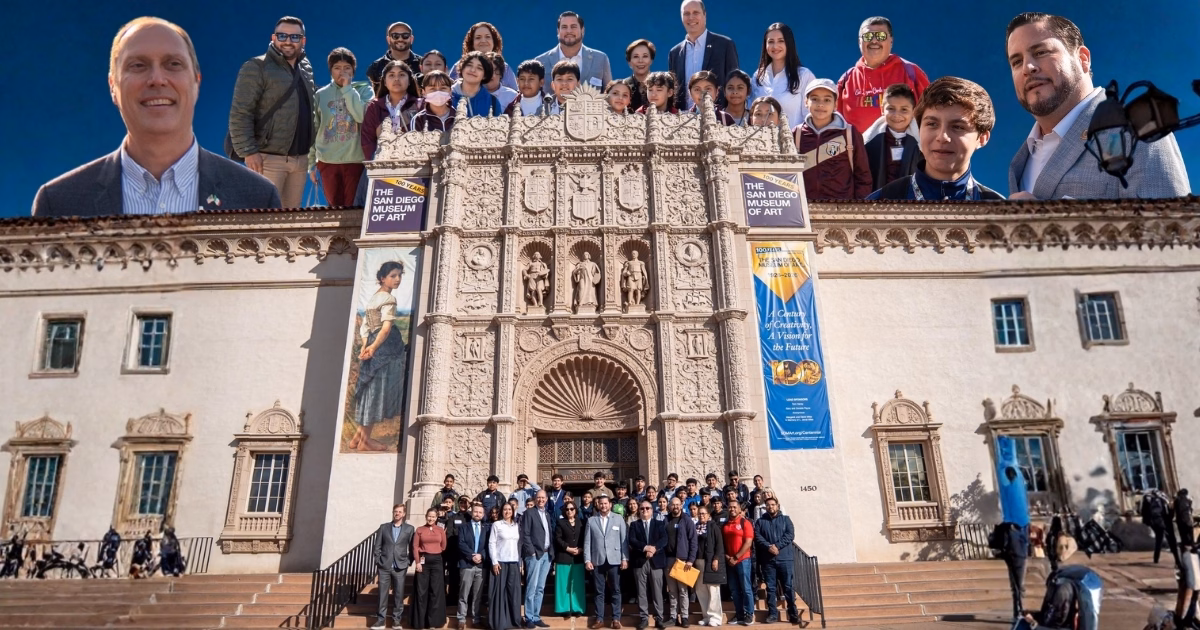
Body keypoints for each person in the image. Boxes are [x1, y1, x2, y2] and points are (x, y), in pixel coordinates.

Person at [33, 17, 278, 217]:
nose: (157, 79)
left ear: (196, 82)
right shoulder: (58, 204)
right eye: (138, 65)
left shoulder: (257, 198)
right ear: (112, 86)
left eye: (173, 64)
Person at [1005, 12, 1190, 199]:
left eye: (1040, 52)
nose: (1028, 67)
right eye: (1017, 62)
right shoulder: (1020, 162)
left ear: (1083, 59)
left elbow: (1172, 226)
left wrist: (1041, 221)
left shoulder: (1137, 129)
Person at [228, 16, 318, 209]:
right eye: (282, 35)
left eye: (294, 37)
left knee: (289, 225)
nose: (288, 41)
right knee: (264, 223)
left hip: (300, 160)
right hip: (267, 159)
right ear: (273, 37)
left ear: (303, 41)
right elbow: (240, 113)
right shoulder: (257, 66)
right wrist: (249, 152)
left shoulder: (306, 67)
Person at [867, 77, 1005, 200]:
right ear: (919, 130)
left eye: (957, 127)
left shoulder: (1000, 214)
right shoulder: (877, 206)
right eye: (932, 124)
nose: (942, 137)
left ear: (982, 139)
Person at [836, 17, 930, 134]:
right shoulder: (846, 80)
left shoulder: (911, 72)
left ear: (891, 41)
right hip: (858, 151)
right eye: (868, 36)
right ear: (860, 41)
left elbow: (931, 114)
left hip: (903, 150)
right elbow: (835, 123)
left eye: (881, 36)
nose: (874, 41)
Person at [352, 261, 407, 451]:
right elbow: (385, 328)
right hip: (385, 347)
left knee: (369, 390)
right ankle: (365, 441)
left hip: (375, 343)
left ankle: (357, 438)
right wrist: (373, 348)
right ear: (382, 278)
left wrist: (365, 346)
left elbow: (366, 327)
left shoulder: (374, 298)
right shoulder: (389, 300)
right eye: (393, 276)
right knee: (375, 391)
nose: (397, 279)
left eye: (399, 275)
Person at [307, 47, 372, 207]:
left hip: (355, 160)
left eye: (347, 68)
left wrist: (347, 89)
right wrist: (311, 164)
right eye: (337, 68)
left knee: (354, 208)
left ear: (353, 70)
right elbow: (314, 128)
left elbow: (361, 116)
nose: (342, 72)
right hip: (327, 161)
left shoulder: (364, 90)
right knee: (333, 208)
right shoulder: (321, 94)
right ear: (330, 70)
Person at [794, 78, 873, 200]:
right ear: (806, 102)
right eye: (814, 99)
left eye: (827, 100)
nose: (820, 104)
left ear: (836, 104)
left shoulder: (849, 134)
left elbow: (863, 175)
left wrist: (858, 206)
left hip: (841, 210)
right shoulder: (796, 134)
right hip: (804, 207)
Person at [669, 1, 739, 110]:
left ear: (705, 15)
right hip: (684, 119)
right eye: (686, 13)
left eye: (696, 12)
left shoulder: (724, 45)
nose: (691, 17)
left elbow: (735, 82)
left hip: (718, 118)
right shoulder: (675, 53)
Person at [751, 23, 816, 130]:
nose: (775, 46)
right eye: (770, 42)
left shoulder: (804, 75)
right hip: (762, 143)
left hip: (792, 143)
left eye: (781, 41)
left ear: (789, 43)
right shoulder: (758, 76)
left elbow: (810, 116)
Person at [535, 12, 613, 97]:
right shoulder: (541, 62)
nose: (569, 31)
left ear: (582, 30)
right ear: (558, 31)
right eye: (564, 27)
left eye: (573, 26)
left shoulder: (600, 59)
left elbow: (608, 94)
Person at [863, 84, 920, 191]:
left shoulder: (923, 144)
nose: (896, 115)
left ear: (913, 112)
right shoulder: (867, 142)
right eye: (891, 108)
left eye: (904, 110)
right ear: (882, 109)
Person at [584, 495, 628, 630]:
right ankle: (599, 619)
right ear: (597, 505)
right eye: (601, 504)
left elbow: (624, 540)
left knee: (615, 590)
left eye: (605, 503)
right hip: (597, 560)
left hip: (614, 559)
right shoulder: (591, 521)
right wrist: (587, 559)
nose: (603, 506)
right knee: (599, 591)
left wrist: (624, 558)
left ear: (610, 505)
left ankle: (616, 619)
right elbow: (587, 542)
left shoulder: (618, 518)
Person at [754, 498, 796, 624]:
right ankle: (772, 614)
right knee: (771, 588)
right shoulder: (760, 522)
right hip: (768, 560)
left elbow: (790, 535)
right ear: (765, 507)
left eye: (773, 505)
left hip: (785, 559)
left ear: (777, 506)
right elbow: (757, 536)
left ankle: (792, 613)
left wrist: (777, 546)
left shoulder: (786, 519)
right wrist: (768, 547)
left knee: (788, 587)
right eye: (768, 505)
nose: (770, 507)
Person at [373, 504, 415, 630]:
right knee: (382, 594)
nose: (397, 513)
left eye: (400, 512)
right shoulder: (384, 527)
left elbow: (412, 547)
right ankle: (380, 620)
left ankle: (396, 621)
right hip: (384, 565)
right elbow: (377, 547)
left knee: (399, 594)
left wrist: (408, 562)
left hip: (400, 566)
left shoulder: (409, 529)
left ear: (403, 514)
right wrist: (378, 561)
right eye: (395, 511)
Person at [629, 500, 668, 630]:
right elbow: (632, 540)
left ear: (652, 510)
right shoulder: (634, 525)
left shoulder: (659, 523)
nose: (645, 510)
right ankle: (644, 618)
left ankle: (659, 618)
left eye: (647, 508)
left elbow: (664, 539)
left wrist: (654, 549)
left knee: (657, 591)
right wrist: (646, 548)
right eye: (642, 509)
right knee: (641, 592)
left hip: (656, 561)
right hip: (640, 562)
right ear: (639, 511)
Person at [520, 490, 555, 629]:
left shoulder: (546, 514)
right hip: (535, 555)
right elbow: (525, 534)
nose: (541, 500)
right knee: (532, 587)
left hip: (546, 555)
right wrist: (532, 552)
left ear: (546, 499)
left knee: (540, 588)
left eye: (543, 498)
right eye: (538, 497)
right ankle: (529, 617)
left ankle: (536, 616)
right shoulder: (529, 513)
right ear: (535, 499)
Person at [489, 503, 524, 630]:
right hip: (501, 563)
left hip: (514, 562)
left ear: (513, 511)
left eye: (510, 509)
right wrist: (494, 561)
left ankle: (514, 622)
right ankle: (499, 623)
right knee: (499, 593)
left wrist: (520, 563)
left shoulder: (516, 526)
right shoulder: (497, 525)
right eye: (505, 509)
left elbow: (519, 545)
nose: (507, 511)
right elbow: (491, 543)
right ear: (501, 512)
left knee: (514, 593)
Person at [452, 22, 518, 90]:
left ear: (494, 41)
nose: (483, 41)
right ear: (472, 43)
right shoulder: (458, 66)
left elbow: (515, 96)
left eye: (488, 37)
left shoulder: (505, 68)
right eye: (478, 37)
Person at [412, 508, 448, 629]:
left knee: (435, 591)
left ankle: (433, 622)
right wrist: (417, 562)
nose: (431, 519)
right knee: (422, 592)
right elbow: (415, 547)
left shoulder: (440, 530)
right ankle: (421, 622)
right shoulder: (420, 530)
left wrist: (434, 552)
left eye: (433, 516)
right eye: (429, 516)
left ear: (437, 517)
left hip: (437, 561)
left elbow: (443, 546)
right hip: (423, 561)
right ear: (426, 516)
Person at [665, 497, 698, 627]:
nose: (675, 507)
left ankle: (684, 616)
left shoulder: (687, 520)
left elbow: (693, 541)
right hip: (668, 560)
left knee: (683, 591)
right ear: (669, 506)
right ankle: (673, 617)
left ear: (681, 505)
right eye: (673, 505)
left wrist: (690, 560)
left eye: (678, 504)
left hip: (683, 560)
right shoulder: (666, 520)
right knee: (672, 591)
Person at [458, 504, 490, 629]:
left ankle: (475, 618)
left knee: (478, 594)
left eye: (480, 512)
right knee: (464, 593)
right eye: (475, 512)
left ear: (483, 515)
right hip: (467, 564)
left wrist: (481, 556)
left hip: (481, 565)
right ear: (472, 513)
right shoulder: (463, 527)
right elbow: (461, 544)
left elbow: (489, 545)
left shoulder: (487, 529)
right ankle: (461, 618)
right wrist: (472, 556)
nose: (477, 514)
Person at [722, 501, 754, 626]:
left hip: (743, 560)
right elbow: (723, 543)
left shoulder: (745, 523)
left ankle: (749, 614)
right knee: (734, 590)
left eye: (734, 507)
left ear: (740, 509)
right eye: (730, 507)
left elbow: (748, 543)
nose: (732, 509)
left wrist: (736, 557)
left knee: (746, 588)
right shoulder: (725, 524)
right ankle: (739, 613)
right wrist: (727, 556)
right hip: (730, 561)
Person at [555, 500, 588, 618]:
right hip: (564, 556)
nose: (569, 511)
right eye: (567, 509)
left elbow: (586, 537)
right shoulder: (560, 522)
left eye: (572, 509)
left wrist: (581, 549)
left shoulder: (582, 522)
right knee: (564, 584)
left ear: (575, 510)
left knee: (577, 584)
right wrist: (567, 548)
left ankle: (577, 607)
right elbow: (558, 538)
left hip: (578, 557)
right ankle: (564, 608)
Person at [367, 22, 423, 91]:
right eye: (395, 36)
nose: (400, 39)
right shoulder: (376, 67)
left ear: (411, 39)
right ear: (388, 39)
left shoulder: (422, 64)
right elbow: (375, 96)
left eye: (405, 35)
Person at [694, 508, 726, 627]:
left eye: (703, 513)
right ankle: (706, 616)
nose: (701, 515)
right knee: (700, 590)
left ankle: (715, 617)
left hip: (711, 561)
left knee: (713, 590)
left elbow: (719, 544)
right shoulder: (695, 527)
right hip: (698, 562)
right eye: (699, 513)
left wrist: (716, 559)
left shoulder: (713, 526)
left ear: (708, 515)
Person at [452, 51, 502, 118]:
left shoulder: (493, 103)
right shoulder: (447, 98)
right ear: (462, 68)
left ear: (485, 75)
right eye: (469, 65)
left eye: (479, 68)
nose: (472, 70)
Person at [996, 522, 1029, 622]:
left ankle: (1018, 611)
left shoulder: (1008, 531)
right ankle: (1021, 611)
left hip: (1014, 558)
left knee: (1016, 587)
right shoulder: (1022, 530)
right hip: (1022, 558)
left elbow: (1005, 545)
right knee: (1019, 586)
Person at [1142, 488, 1179, 565]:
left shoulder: (1148, 499)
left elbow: (1143, 512)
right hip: (1165, 521)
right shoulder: (1164, 498)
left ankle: (1156, 559)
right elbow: (1170, 510)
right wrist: (1170, 518)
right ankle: (1177, 560)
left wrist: (1148, 522)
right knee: (1172, 541)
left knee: (1159, 540)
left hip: (1155, 522)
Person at [625, 40, 655, 113]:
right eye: (636, 56)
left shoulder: (661, 85)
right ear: (629, 62)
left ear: (651, 60)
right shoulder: (623, 86)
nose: (640, 61)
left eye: (645, 56)